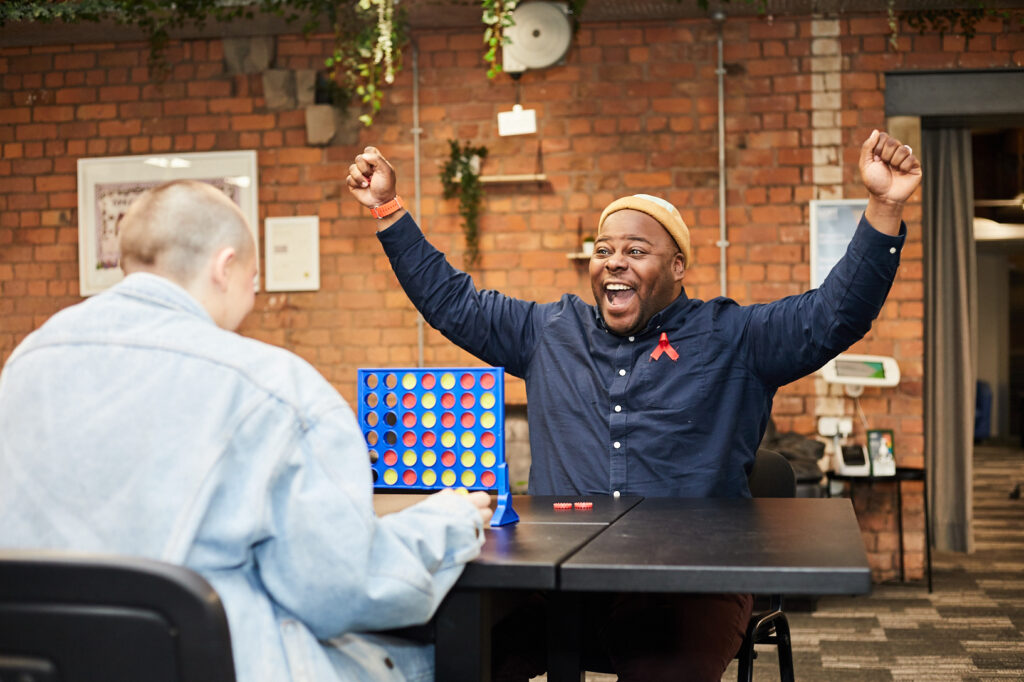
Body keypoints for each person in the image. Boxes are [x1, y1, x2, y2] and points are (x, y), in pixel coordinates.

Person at [346, 129, 921, 680]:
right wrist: (388, 209)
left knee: (664, 671)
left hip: (689, 583)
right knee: (459, 650)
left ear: (676, 268)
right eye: (603, 250)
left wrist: (884, 209)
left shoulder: (735, 337)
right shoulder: (548, 331)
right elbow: (452, 301)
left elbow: (834, 315)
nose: (613, 261)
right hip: (556, 579)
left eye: (635, 250)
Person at [0, 179, 494, 682]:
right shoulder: (272, 388)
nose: (252, 298)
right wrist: (447, 519)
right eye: (253, 279)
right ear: (225, 266)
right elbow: (342, 591)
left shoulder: (24, 364)